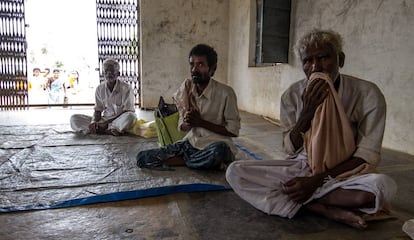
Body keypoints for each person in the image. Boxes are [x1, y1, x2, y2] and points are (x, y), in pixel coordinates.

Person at [225, 29, 397, 229]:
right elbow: (290, 150)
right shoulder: (292, 95)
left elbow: (367, 155)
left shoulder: (367, 94)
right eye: (307, 61)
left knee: (382, 186)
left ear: (340, 59)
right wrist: (307, 112)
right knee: (235, 172)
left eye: (323, 57)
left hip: (347, 170)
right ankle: (321, 207)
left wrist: (316, 181)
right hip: (303, 165)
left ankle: (304, 200)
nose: (315, 67)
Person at [136, 43, 241, 170]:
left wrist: (201, 122)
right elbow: (183, 127)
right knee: (142, 157)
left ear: (212, 69)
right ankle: (193, 161)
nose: (194, 70)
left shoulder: (226, 93)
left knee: (220, 151)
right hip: (190, 144)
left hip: (213, 146)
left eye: (200, 64)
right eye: (192, 64)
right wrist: (188, 121)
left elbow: (233, 131)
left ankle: (185, 161)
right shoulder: (186, 90)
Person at [70, 59, 137, 136]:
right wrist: (94, 122)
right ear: (103, 73)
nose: (109, 74)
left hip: (118, 120)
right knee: (74, 119)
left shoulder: (126, 88)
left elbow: (127, 111)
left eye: (112, 71)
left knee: (131, 116)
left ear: (118, 74)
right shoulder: (100, 88)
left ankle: (109, 128)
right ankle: (105, 129)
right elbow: (98, 110)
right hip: (104, 120)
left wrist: (105, 123)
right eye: (106, 71)